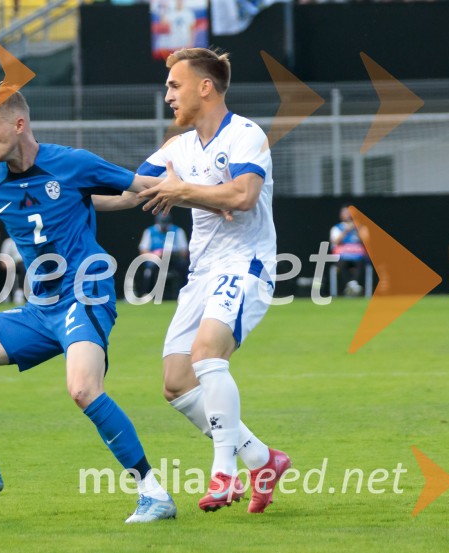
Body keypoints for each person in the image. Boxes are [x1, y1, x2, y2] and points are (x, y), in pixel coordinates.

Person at [0, 86, 176, 523]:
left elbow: (142, 188)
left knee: (82, 389)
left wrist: (208, 194)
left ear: (19, 124)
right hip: (40, 310)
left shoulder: (72, 163)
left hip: (86, 294)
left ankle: (154, 493)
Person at [135, 47, 292, 514]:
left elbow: (243, 196)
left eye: (174, 85)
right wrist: (69, 190)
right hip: (202, 273)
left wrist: (185, 191)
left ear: (205, 87)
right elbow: (132, 189)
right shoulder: (178, 148)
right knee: (176, 382)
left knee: (205, 354)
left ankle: (223, 475)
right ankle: (263, 459)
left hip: (248, 264)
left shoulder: (247, 134)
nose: (167, 95)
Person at [138, 213, 189, 299]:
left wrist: (171, 253)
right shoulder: (150, 231)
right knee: (149, 269)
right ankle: (147, 293)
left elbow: (184, 252)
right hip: (156, 260)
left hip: (173, 260)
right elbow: (143, 251)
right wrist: (156, 254)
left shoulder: (178, 231)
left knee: (184, 266)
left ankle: (185, 294)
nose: (164, 227)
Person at [330, 205, 369, 296]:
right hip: (343, 256)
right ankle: (353, 285)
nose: (347, 215)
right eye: (345, 212)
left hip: (358, 257)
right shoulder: (337, 228)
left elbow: (366, 242)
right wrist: (346, 231)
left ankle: (352, 285)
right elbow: (335, 242)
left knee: (362, 262)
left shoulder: (361, 228)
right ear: (341, 215)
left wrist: (356, 230)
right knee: (341, 263)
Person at [0, 237, 25, 304]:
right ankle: (16, 292)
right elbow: (2, 262)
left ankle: (21, 293)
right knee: (21, 267)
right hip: (13, 265)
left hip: (26, 265)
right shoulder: (8, 242)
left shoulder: (26, 240)